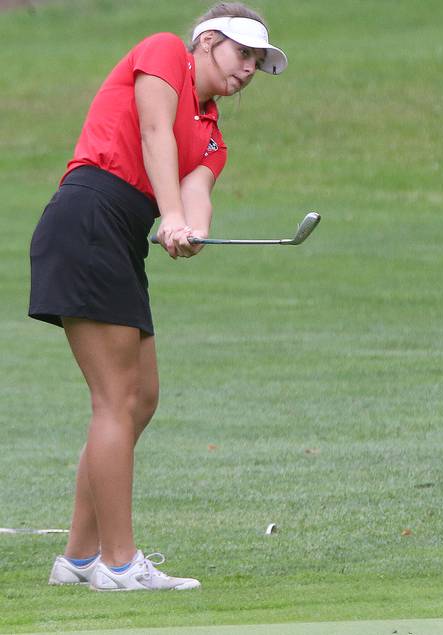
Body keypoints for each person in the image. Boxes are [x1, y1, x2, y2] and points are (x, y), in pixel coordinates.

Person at [28, 2, 287, 591]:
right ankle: (119, 566)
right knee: (115, 398)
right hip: (88, 216)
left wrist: (188, 229)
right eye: (242, 54)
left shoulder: (213, 135)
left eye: (257, 63)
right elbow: (151, 131)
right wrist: (167, 213)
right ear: (209, 41)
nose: (248, 70)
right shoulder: (164, 51)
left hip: (120, 238)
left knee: (141, 397)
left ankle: (78, 557)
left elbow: (198, 194)